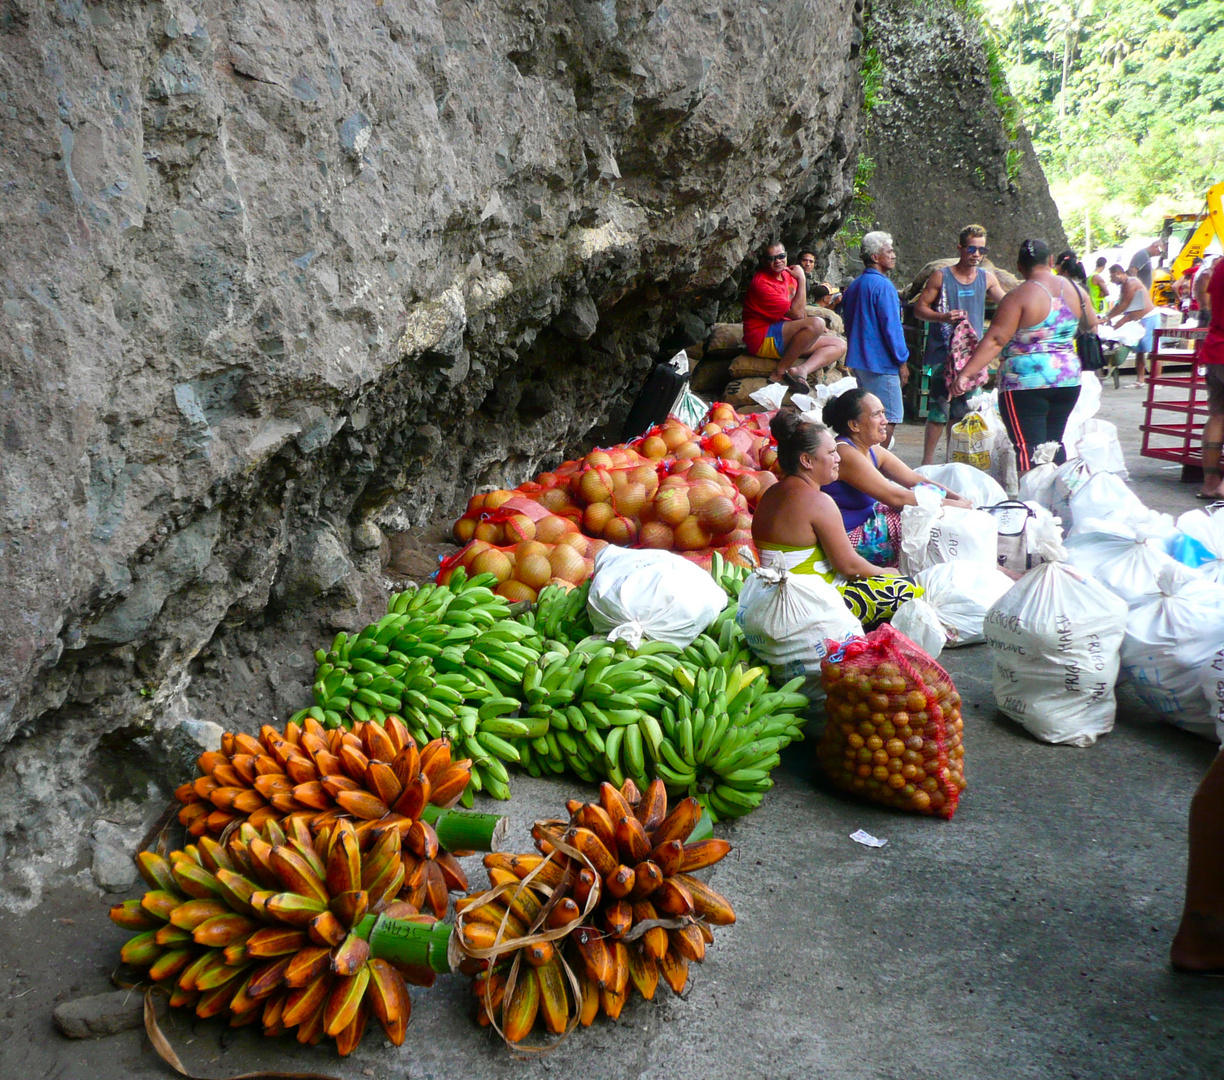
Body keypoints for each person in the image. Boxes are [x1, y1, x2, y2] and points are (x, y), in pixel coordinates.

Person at [751, 411, 923, 627]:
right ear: (806, 460)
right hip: (806, 605)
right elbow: (849, 567)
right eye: (831, 452)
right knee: (906, 587)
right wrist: (888, 573)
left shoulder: (770, 493)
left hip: (772, 599)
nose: (838, 458)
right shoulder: (818, 501)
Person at [952, 239, 1096, 472]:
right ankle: (1056, 501)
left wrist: (966, 374)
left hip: (1025, 384)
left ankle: (1034, 504)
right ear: (1051, 261)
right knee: (1053, 444)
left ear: (1019, 266)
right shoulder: (1077, 291)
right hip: (1068, 380)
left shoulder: (1018, 296)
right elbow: (1092, 326)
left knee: (1029, 448)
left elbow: (996, 339)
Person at [820, 387, 970, 566]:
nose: (885, 421)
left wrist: (956, 498)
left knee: (928, 500)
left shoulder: (872, 449)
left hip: (871, 522)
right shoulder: (845, 452)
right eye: (877, 415)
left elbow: (916, 480)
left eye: (884, 412)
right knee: (923, 521)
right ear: (854, 425)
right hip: (851, 537)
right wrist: (953, 505)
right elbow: (896, 497)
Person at [913, 225, 1007, 465]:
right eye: (972, 248)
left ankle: (952, 461)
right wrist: (942, 317)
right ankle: (927, 463)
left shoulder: (987, 278)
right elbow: (919, 309)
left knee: (962, 412)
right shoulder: (941, 276)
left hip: (971, 357)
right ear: (960, 248)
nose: (976, 254)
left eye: (981, 249)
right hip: (942, 353)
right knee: (937, 410)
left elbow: (1007, 303)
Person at [742, 240, 847, 392]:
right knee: (816, 324)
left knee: (840, 345)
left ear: (786, 256)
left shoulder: (788, 275)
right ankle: (779, 372)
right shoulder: (762, 284)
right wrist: (802, 278)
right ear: (764, 261)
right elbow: (797, 313)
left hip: (784, 333)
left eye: (781, 256)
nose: (777, 261)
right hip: (762, 337)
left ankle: (801, 371)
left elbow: (799, 306)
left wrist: (811, 330)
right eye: (772, 258)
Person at [842, 231, 909, 444]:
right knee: (887, 418)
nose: (893, 255)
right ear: (875, 257)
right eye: (888, 251)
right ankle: (877, 468)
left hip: (860, 362)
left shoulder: (855, 286)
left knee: (868, 418)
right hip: (882, 364)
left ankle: (867, 465)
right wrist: (902, 360)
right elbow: (892, 329)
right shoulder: (884, 286)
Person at [1194, 258, 1224, 500]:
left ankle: (1210, 482)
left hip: (1215, 349)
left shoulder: (1220, 265)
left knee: (1217, 416)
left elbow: (1209, 298)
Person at [1105, 263, 1159, 387]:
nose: (1111, 280)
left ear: (1118, 273)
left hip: (1148, 317)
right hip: (1137, 319)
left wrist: (1110, 318)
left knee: (1153, 350)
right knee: (1139, 351)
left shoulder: (1131, 283)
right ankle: (1140, 380)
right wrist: (1107, 317)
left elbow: (1124, 305)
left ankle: (1157, 379)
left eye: (1112, 276)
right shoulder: (1124, 286)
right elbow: (1120, 305)